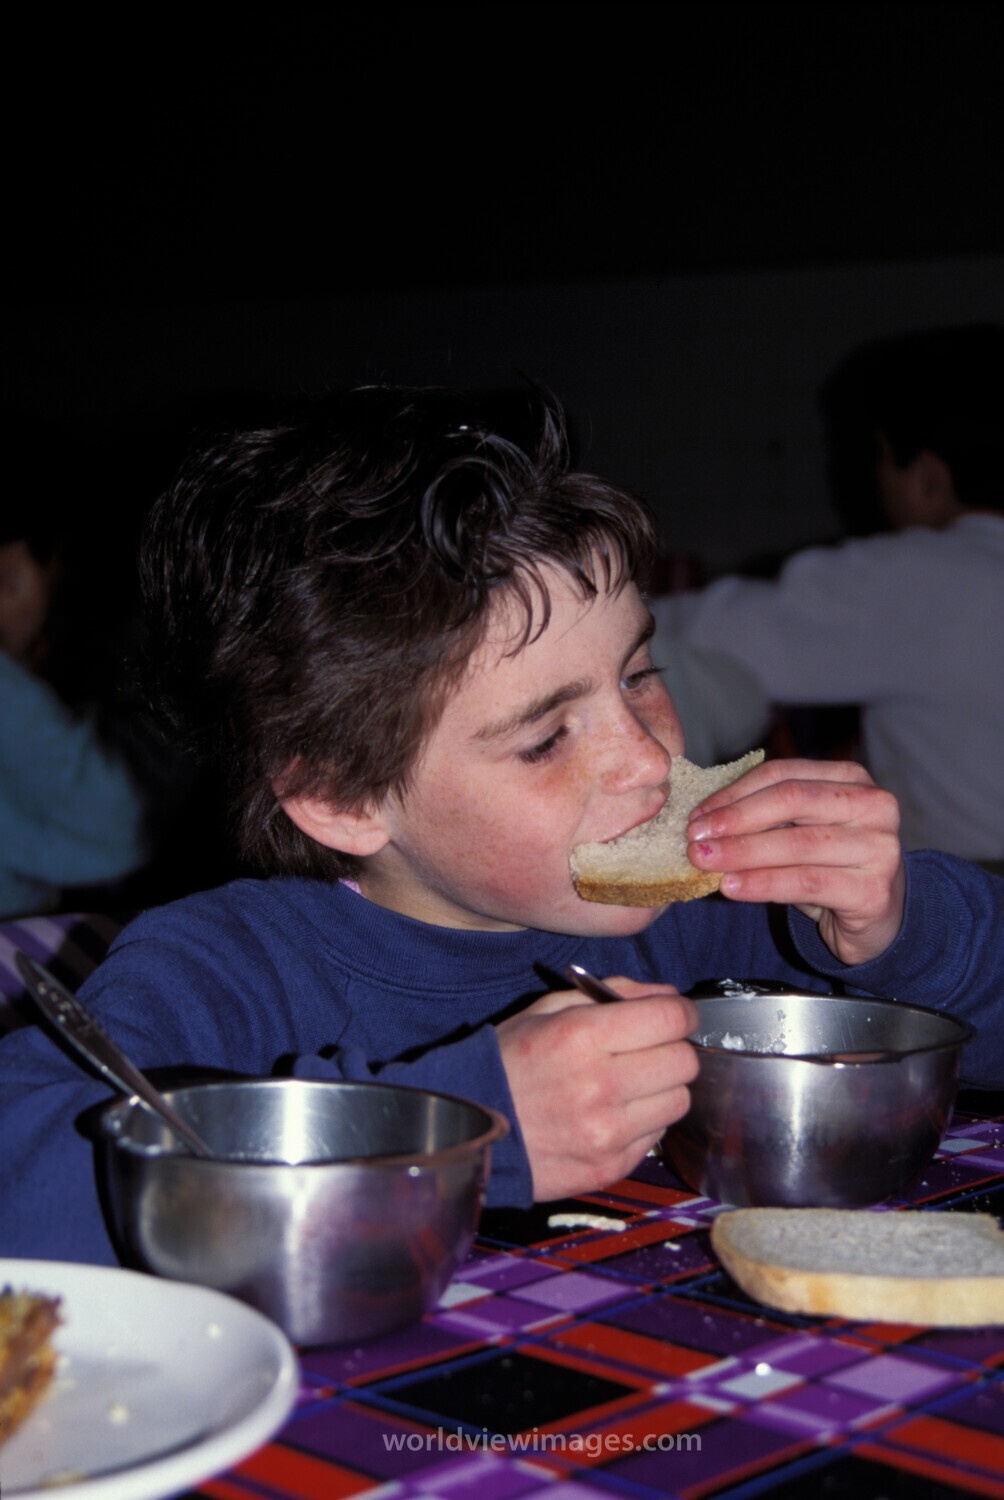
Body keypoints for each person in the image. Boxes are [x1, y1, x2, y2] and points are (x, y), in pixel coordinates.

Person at [2, 387, 1002, 1265]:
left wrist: (905, 927)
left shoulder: (714, 917)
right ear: (344, 797)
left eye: (639, 676)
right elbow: (27, 1189)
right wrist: (443, 1130)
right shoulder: (225, 969)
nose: (649, 761)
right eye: (544, 737)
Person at [650, 325, 1004, 862]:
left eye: (881, 461)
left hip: (978, 912)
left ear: (928, 479)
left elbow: (679, 634)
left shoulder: (916, 577)